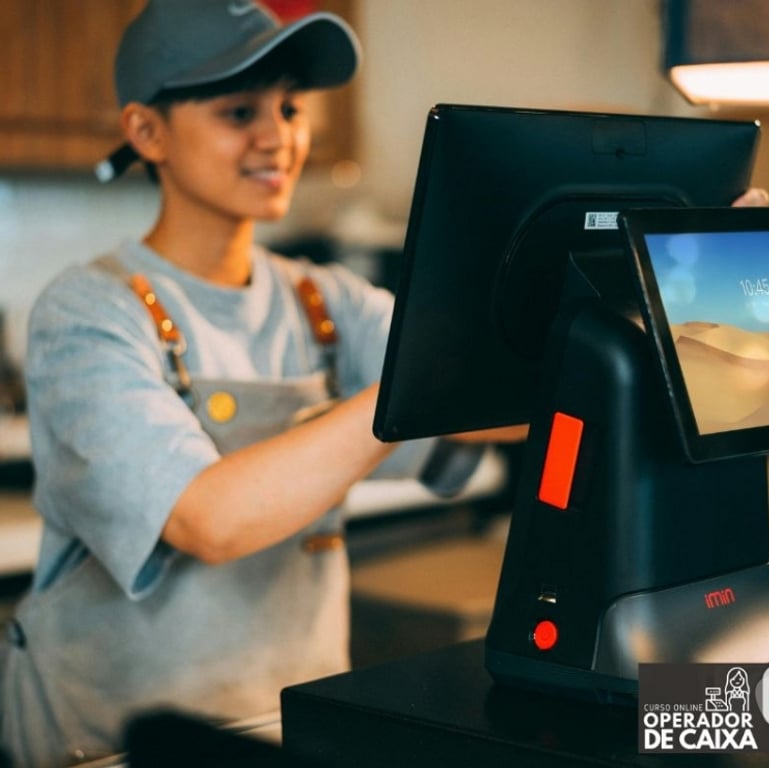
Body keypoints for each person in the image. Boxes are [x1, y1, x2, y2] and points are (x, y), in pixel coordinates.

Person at [0, 2, 509, 765]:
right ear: (146, 132)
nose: (278, 137)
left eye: (290, 108)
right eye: (240, 111)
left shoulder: (325, 301)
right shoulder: (87, 311)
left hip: (287, 729)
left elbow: (502, 394)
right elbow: (208, 521)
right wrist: (405, 391)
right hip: (112, 747)